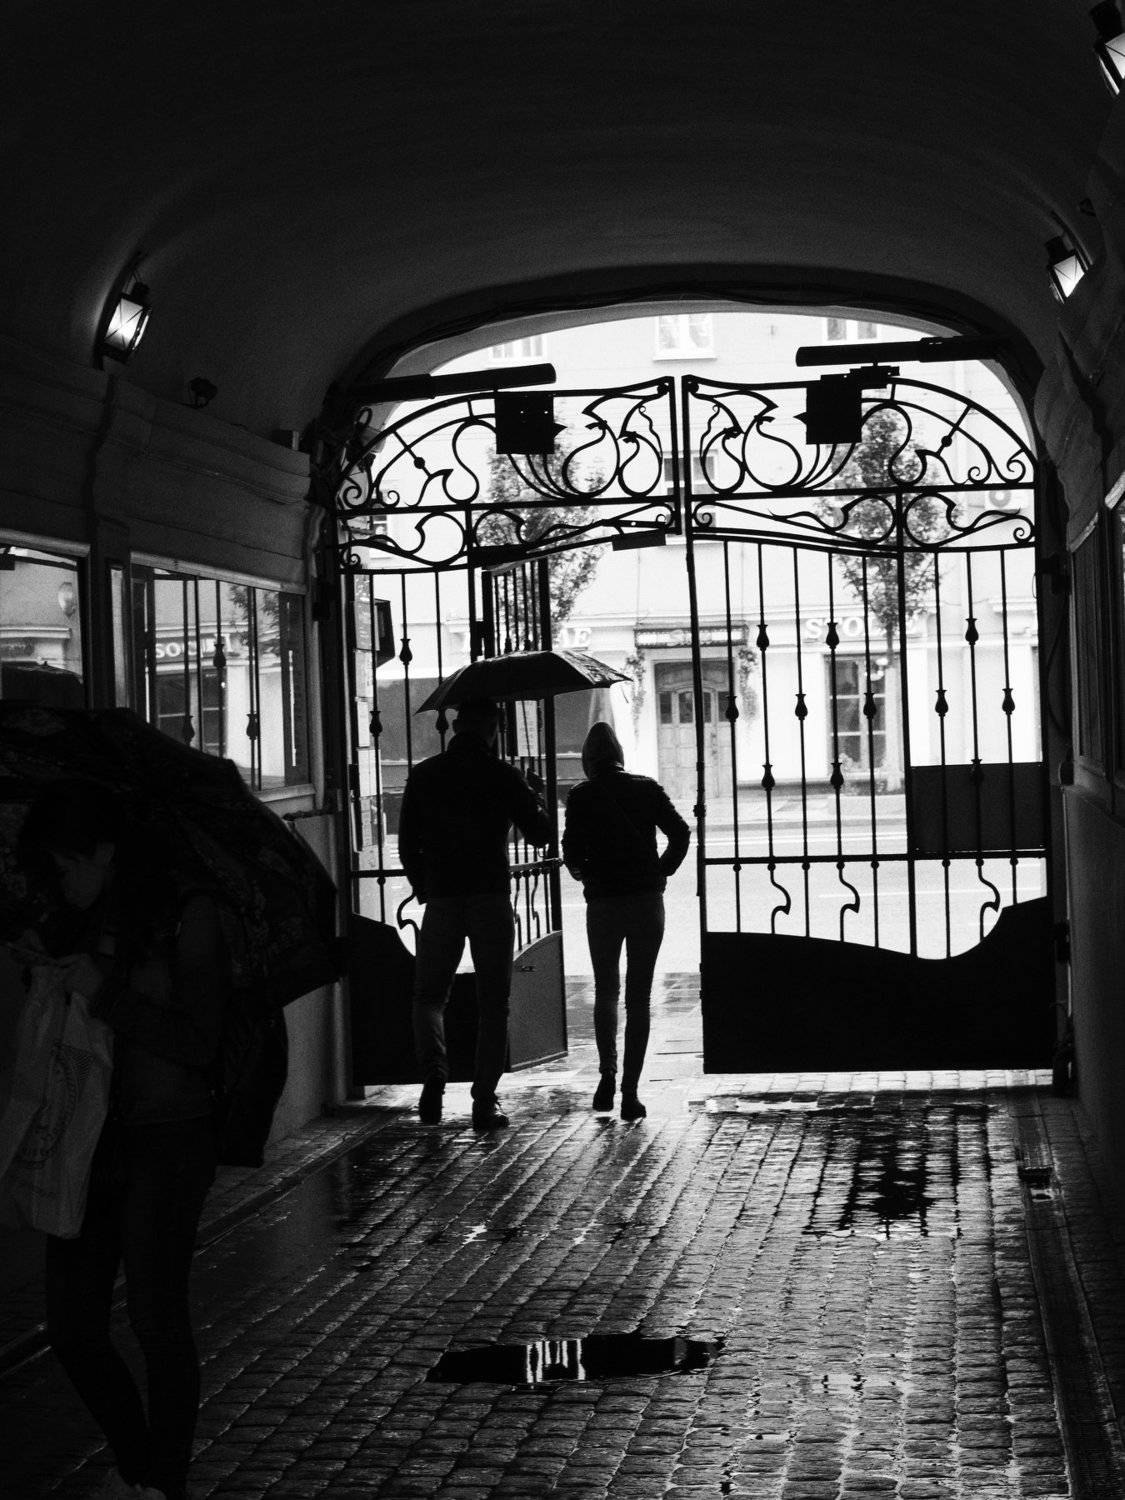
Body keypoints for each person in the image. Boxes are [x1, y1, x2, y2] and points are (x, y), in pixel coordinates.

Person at [17, 781, 232, 1500]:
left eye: (66, 866)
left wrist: (106, 992)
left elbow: (199, 1042)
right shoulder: (75, 917)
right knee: (72, 1326)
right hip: (90, 1138)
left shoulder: (187, 913)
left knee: (154, 1314)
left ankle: (163, 1480)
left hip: (166, 1140)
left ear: (106, 853)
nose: (59, 884)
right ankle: (140, 1463)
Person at [398, 697, 552, 1129]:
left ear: (456, 725)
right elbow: (540, 834)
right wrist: (533, 795)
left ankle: (433, 1079)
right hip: (488, 897)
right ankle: (484, 1099)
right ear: (493, 729)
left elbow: (407, 842)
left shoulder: (425, 774)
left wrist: (423, 885)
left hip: (443, 899)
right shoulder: (503, 775)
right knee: (493, 1003)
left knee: (428, 997)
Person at [562, 722, 690, 1120]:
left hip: (603, 904)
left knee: (606, 992)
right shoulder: (647, 788)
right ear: (620, 756)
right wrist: (661, 871)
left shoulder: (581, 796)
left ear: (588, 761)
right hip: (645, 902)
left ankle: (606, 1076)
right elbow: (681, 833)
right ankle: (631, 1093)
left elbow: (570, 852)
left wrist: (585, 873)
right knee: (639, 997)